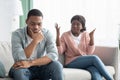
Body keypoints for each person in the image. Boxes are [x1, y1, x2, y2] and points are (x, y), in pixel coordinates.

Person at [9, 9, 63, 80]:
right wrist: (35, 41)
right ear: (26, 21)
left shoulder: (47, 33)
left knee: (57, 66)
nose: (36, 27)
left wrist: (30, 63)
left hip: (40, 67)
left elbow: (53, 55)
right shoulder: (17, 34)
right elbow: (19, 58)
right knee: (20, 73)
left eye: (39, 24)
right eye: (32, 24)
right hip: (22, 68)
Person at [55, 15, 113, 80]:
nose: (75, 26)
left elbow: (89, 52)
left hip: (84, 61)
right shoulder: (65, 35)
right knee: (94, 58)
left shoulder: (85, 34)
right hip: (71, 62)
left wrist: (91, 38)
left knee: (94, 70)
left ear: (82, 26)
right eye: (73, 24)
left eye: (78, 24)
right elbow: (60, 51)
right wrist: (58, 35)